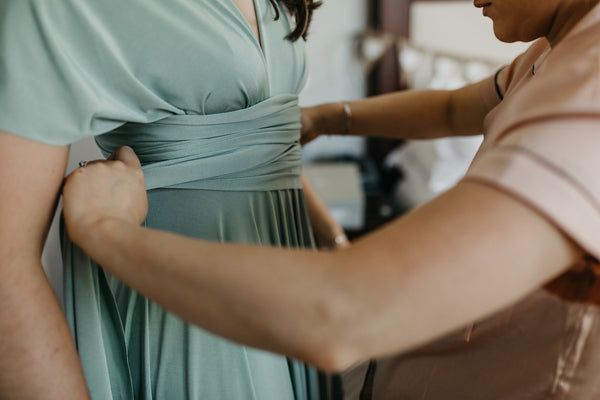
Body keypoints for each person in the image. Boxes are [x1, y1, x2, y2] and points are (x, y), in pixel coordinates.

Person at [62, 0, 600, 398]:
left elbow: (340, 315)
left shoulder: (589, 81)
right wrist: (327, 117)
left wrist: (104, 229)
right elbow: (455, 108)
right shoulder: (555, 50)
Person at [0, 0, 347, 399]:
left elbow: (266, 141)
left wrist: (333, 237)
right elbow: (7, 267)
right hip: (184, 293)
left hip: (291, 277)